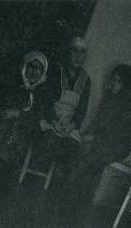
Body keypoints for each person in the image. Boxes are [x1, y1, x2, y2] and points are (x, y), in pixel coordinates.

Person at [73, 64, 131, 198]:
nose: (114, 84)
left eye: (119, 81)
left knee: (91, 158)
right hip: (101, 139)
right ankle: (76, 192)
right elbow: (98, 119)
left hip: (117, 145)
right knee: (80, 147)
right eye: (113, 79)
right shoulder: (109, 96)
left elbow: (119, 132)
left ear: (125, 84)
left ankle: (81, 195)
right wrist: (88, 134)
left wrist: (94, 138)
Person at [39, 37, 91, 170]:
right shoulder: (57, 72)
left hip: (69, 126)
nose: (78, 56)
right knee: (49, 142)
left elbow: (81, 110)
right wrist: (53, 121)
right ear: (68, 53)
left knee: (73, 149)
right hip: (51, 121)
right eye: (75, 51)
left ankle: (57, 177)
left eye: (82, 52)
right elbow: (46, 101)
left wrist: (71, 126)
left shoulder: (86, 80)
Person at [0, 51, 49, 170]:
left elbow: (38, 116)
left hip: (26, 131)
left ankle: (6, 163)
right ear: (24, 67)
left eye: (38, 69)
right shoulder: (14, 84)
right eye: (31, 66)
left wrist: (18, 114)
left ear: (43, 72)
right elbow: (3, 105)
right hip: (5, 126)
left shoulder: (42, 92)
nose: (34, 71)